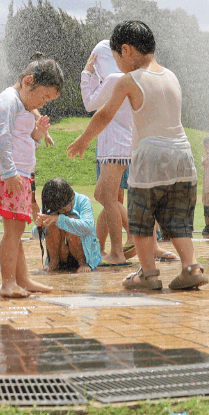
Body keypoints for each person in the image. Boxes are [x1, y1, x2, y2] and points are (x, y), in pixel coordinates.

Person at [68, 21, 208, 291]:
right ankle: (191, 267)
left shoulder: (129, 80)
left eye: (116, 56)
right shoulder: (171, 75)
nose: (117, 62)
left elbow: (104, 114)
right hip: (183, 155)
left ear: (126, 50)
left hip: (150, 154)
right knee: (177, 218)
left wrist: (83, 140)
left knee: (141, 216)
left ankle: (148, 273)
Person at [0, 54, 62, 298]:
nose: (43, 103)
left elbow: (23, 142)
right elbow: (2, 137)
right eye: (44, 96)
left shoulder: (21, 104)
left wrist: (37, 135)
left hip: (19, 175)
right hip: (11, 175)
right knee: (13, 233)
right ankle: (8, 283)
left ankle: (23, 279)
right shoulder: (8, 100)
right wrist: (9, 172)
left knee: (17, 232)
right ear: (28, 81)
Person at [82, 40, 134, 265]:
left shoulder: (113, 79)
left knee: (106, 197)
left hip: (113, 147)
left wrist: (86, 73)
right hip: (119, 146)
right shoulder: (125, 79)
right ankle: (108, 247)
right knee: (106, 197)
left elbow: (89, 103)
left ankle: (122, 248)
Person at [36, 177, 101, 272]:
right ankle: (53, 262)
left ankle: (82, 262)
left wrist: (59, 218)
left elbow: (88, 228)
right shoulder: (52, 205)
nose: (60, 211)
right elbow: (36, 235)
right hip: (62, 254)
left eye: (62, 209)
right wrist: (39, 226)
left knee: (71, 220)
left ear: (72, 197)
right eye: (57, 210)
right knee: (51, 222)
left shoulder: (83, 201)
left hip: (84, 254)